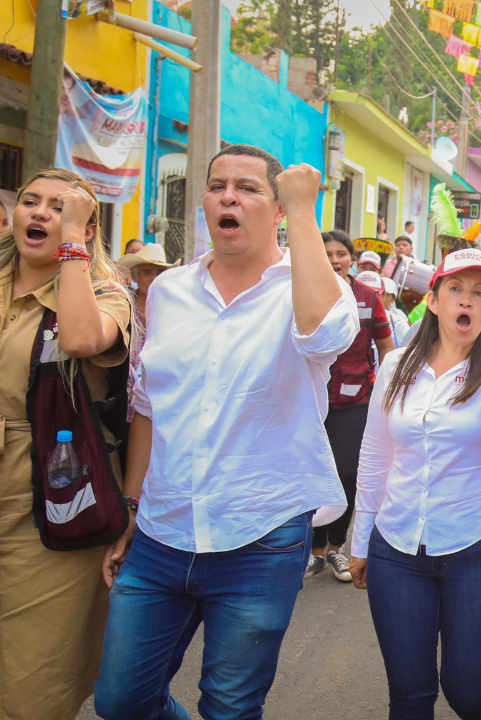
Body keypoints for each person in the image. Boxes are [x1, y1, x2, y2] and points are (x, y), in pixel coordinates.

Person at [94, 146, 359, 718]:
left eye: (247, 188)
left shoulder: (310, 286)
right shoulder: (168, 291)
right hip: (163, 533)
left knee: (231, 706)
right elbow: (148, 406)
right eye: (217, 186)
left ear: (278, 207)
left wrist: (305, 210)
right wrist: (132, 508)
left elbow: (322, 336)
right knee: (120, 699)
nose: (228, 197)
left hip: (261, 534)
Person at [350, 246, 481, 720]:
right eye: (455, 289)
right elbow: (376, 455)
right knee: (410, 693)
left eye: (479, 293)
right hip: (397, 548)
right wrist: (361, 538)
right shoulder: (397, 366)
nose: (466, 300)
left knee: (466, 688)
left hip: (478, 547)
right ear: (435, 300)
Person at [0, 168, 132, 720]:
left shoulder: (105, 293)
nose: (39, 213)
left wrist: (73, 248)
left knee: (33, 682)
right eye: (30, 201)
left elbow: (79, 339)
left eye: (59, 208)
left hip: (52, 497)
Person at [308, 232, 394, 582]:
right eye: (326, 253)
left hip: (357, 402)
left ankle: (335, 548)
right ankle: (312, 551)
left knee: (346, 475)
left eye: (341, 253)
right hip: (311, 403)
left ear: (351, 258)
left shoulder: (368, 297)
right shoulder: (303, 291)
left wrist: (387, 396)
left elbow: (387, 348)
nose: (333, 260)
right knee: (312, 474)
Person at [117, 242, 177, 423]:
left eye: (159, 273)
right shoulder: (122, 304)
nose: (153, 278)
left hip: (157, 401)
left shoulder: (173, 309)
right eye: (146, 272)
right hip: (122, 398)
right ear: (134, 275)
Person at [383, 277, 411, 347]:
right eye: (381, 293)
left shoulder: (400, 317)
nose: (383, 297)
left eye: (387, 294)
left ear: (393, 299)